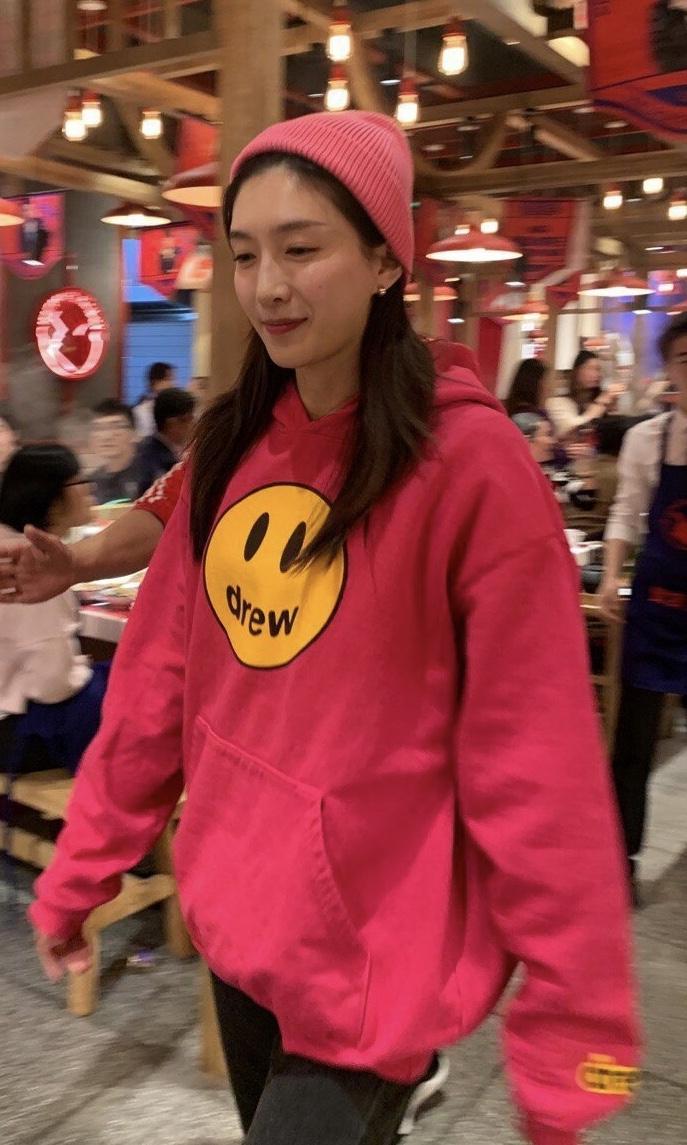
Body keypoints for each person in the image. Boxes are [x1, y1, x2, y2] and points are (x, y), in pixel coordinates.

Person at [24, 113, 639, 1145]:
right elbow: (156, 690)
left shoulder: (470, 466)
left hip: (375, 960)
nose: (268, 286)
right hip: (241, 921)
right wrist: (79, 873)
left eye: (302, 248)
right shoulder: (230, 446)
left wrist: (577, 1034)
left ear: (386, 258)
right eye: (245, 254)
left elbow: (536, 761)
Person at [599, 312, 687, 901]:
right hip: (655, 608)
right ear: (671, 369)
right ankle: (618, 861)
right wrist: (610, 577)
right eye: (684, 359)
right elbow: (627, 513)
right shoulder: (647, 439)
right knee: (632, 743)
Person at [0, 445, 109, 775]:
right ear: (52, 498)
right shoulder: (33, 565)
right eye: (80, 481)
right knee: (134, 687)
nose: (89, 489)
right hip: (13, 735)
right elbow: (53, 686)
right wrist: (82, 669)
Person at [512, 412, 596, 511]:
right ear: (526, 441)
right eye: (548, 435)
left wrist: (585, 467)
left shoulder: (555, 474)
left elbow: (586, 502)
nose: (553, 441)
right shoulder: (512, 477)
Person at [546, 350, 624, 439]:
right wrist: (602, 401)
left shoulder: (597, 401)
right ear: (577, 371)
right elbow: (572, 428)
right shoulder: (558, 402)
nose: (596, 374)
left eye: (598, 369)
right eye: (590, 368)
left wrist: (612, 408)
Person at [136, 388, 196, 496]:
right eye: (188, 419)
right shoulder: (149, 457)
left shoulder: (185, 449)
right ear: (171, 423)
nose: (193, 424)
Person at [89, 400, 143, 504]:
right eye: (98, 428)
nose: (106, 436)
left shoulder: (151, 477)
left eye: (116, 426)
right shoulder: (91, 483)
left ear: (134, 433)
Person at [132, 361, 176, 438]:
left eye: (173, 379)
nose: (173, 384)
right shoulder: (139, 412)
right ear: (155, 382)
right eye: (168, 379)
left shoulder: (174, 409)